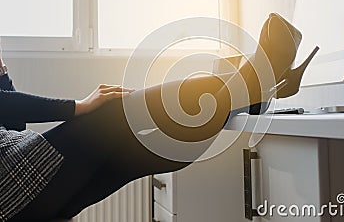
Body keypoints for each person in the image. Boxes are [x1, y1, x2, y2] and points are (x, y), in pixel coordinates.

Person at [0, 14, 316, 221]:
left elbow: (12, 127)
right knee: (115, 113)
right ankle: (257, 85)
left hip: (18, 184)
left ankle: (255, 94)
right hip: (12, 187)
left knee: (143, 153)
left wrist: (2, 76)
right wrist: (76, 107)